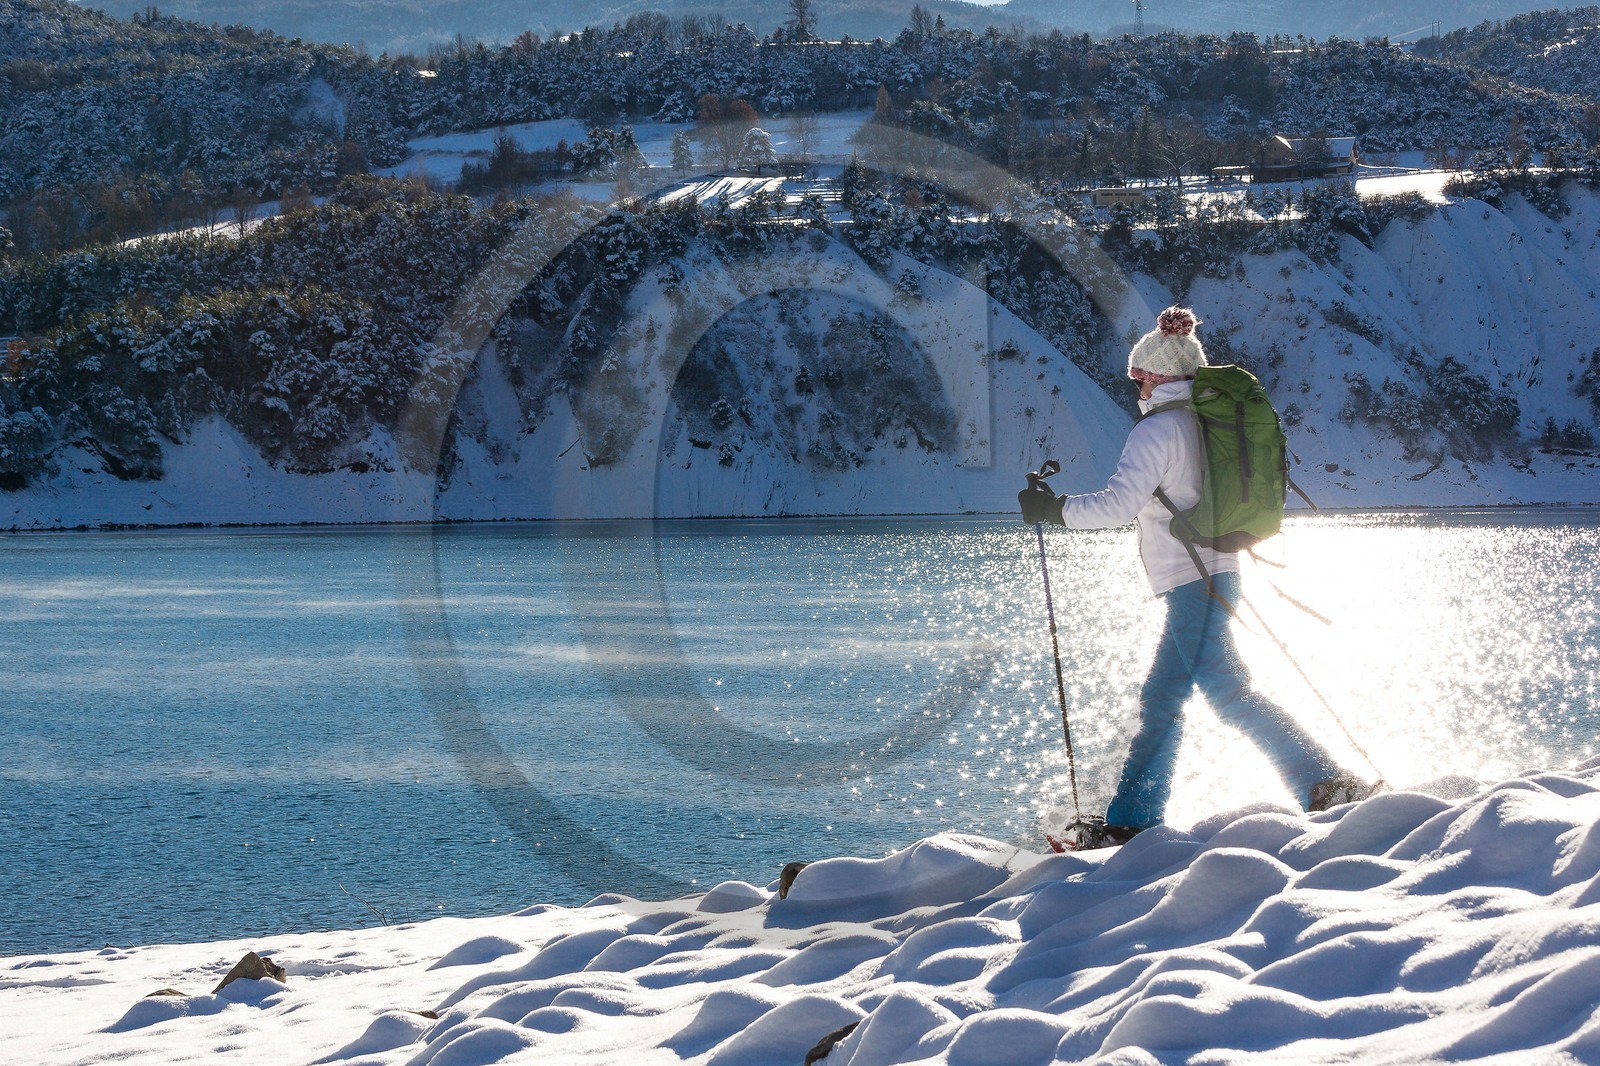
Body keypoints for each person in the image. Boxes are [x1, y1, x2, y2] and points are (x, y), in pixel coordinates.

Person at [1020, 306, 1367, 843]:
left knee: (1228, 694)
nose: (1134, 382)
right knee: (1163, 702)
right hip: (1214, 572)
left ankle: (1327, 782)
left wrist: (1054, 510)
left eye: (1140, 373)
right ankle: (1132, 820)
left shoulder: (1157, 432)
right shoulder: (1204, 423)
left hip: (1192, 580)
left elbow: (1117, 506)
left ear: (1162, 375)